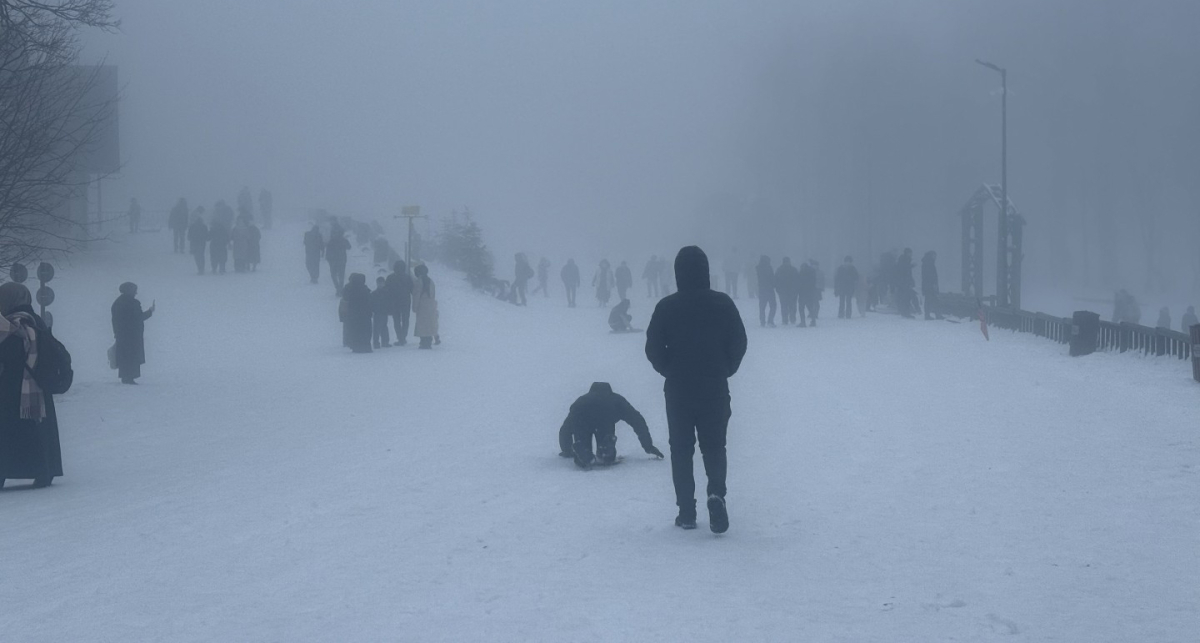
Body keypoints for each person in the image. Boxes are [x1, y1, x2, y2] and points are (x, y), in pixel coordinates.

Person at [645, 246, 747, 533]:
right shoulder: (722, 304)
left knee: (681, 450)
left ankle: (687, 512)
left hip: (678, 389)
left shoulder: (667, 307)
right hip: (714, 386)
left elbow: (652, 348)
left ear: (678, 273)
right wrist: (725, 369)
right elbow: (739, 342)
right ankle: (716, 494)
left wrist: (670, 369)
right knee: (714, 446)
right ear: (706, 271)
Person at [0, 283, 63, 489]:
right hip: (37, 390)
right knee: (40, 432)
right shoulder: (36, 322)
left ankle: (7, 471)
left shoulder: (11, 324)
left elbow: (10, 356)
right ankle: (45, 470)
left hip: (11, 389)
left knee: (9, 434)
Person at [557, 382, 663, 469]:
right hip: (605, 419)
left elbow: (566, 428)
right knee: (605, 433)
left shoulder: (581, 400)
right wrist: (648, 446)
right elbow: (638, 421)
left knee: (581, 433)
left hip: (582, 420)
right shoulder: (616, 400)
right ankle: (606, 450)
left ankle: (582, 450)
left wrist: (567, 450)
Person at [111, 282, 154, 384]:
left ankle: (125, 376)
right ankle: (130, 377)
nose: (136, 292)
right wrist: (150, 312)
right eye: (134, 290)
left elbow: (115, 320)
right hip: (133, 335)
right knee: (132, 356)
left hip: (122, 334)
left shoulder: (117, 302)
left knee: (124, 356)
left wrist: (116, 332)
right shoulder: (133, 303)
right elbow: (138, 318)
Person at [340, 273, 372, 353]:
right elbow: (369, 302)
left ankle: (355, 345)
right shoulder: (364, 289)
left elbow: (344, 302)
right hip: (364, 315)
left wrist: (343, 314)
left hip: (352, 314)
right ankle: (365, 345)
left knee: (353, 330)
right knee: (365, 330)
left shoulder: (348, 289)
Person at [412, 263, 439, 349]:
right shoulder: (431, 281)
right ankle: (428, 340)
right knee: (429, 323)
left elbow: (416, 295)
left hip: (422, 304)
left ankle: (424, 342)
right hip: (431, 304)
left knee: (422, 324)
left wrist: (414, 307)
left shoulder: (418, 282)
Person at [386, 260, 413, 345]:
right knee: (405, 320)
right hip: (406, 301)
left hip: (394, 302)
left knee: (396, 321)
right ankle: (403, 337)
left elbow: (387, 291)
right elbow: (412, 290)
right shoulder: (407, 277)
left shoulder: (390, 278)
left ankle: (400, 337)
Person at [326, 224, 351, 295]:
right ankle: (340, 288)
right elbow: (349, 247)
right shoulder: (343, 240)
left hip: (333, 260)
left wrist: (328, 258)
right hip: (342, 260)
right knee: (341, 275)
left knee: (333, 275)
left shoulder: (331, 241)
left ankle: (337, 288)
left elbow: (328, 251)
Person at [774, 257, 800, 326]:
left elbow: (776, 280)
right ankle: (792, 318)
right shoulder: (794, 270)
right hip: (792, 291)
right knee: (792, 306)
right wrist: (797, 289)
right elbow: (798, 280)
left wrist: (778, 289)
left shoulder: (779, 270)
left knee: (784, 306)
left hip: (783, 291)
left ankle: (785, 320)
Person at [371, 277, 392, 348]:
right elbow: (371, 303)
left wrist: (389, 310)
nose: (380, 284)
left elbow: (389, 303)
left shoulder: (387, 293)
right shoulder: (374, 294)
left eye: (382, 283)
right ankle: (376, 343)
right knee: (376, 328)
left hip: (384, 312)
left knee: (384, 327)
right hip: (377, 312)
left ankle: (385, 342)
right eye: (379, 283)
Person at [755, 255, 776, 327]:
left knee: (762, 307)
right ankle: (770, 320)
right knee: (773, 306)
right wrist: (774, 285)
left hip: (761, 290)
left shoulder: (757, 268)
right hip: (770, 289)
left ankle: (762, 321)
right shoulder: (769, 268)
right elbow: (772, 278)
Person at [921, 251, 943, 320]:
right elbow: (931, 276)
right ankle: (935, 315)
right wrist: (934, 284)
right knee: (932, 300)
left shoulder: (926, 263)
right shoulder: (929, 264)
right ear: (931, 255)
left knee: (930, 300)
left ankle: (931, 315)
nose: (935, 257)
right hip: (930, 285)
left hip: (927, 285)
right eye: (934, 255)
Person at [797, 259, 818, 327]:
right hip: (810, 293)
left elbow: (798, 283)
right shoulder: (812, 273)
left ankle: (803, 322)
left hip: (802, 293)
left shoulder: (801, 273)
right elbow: (814, 282)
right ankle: (813, 321)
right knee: (810, 307)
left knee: (801, 308)